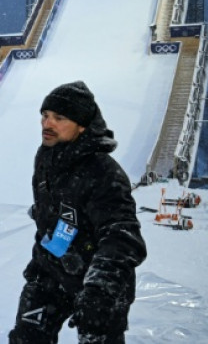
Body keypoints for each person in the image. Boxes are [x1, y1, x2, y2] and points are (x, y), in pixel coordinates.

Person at [9, 81, 147, 344]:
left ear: (82, 126)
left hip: (101, 285)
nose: (47, 124)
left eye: (59, 118)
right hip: (53, 273)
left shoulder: (104, 173)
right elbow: (50, 219)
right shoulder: (46, 158)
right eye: (45, 115)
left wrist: (99, 290)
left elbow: (123, 236)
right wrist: (40, 261)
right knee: (26, 338)